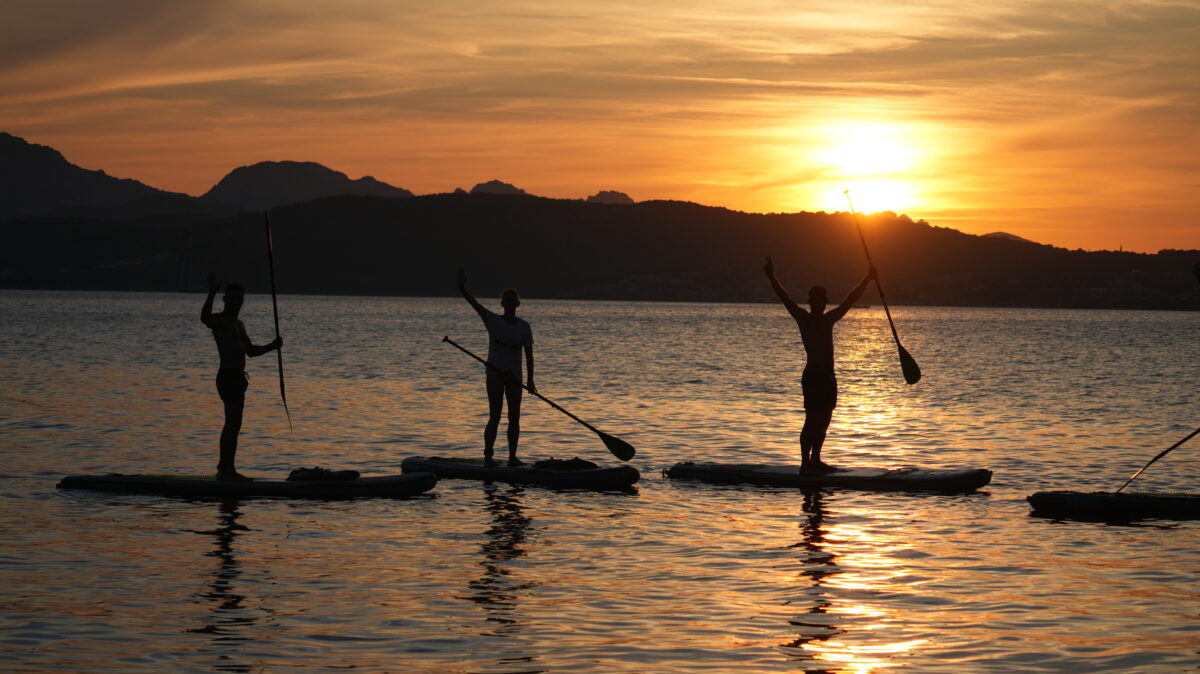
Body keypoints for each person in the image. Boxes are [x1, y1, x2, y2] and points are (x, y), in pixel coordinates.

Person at [763, 257, 876, 473]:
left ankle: (816, 460)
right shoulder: (803, 318)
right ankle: (805, 463)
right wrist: (771, 277)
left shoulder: (829, 319)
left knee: (824, 421)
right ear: (811, 303)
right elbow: (784, 297)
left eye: (822, 301)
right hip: (814, 376)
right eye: (815, 301)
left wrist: (868, 279)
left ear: (824, 303)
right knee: (811, 420)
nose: (819, 304)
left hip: (828, 378)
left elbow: (850, 300)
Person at [201, 272, 282, 481]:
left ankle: (226, 468)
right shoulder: (219, 320)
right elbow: (205, 319)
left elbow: (251, 351)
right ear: (225, 299)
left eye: (239, 298)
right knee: (232, 423)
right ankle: (225, 470)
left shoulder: (240, 324)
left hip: (239, 378)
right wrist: (211, 292)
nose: (235, 301)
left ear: (242, 301)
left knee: (235, 424)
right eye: (232, 297)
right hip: (227, 376)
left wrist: (272, 347)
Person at [457, 269, 535, 466]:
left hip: (515, 377)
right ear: (502, 304)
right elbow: (474, 304)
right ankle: (488, 457)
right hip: (495, 374)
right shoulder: (493, 320)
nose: (509, 303)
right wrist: (462, 287)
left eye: (512, 300)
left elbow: (529, 355)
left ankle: (512, 458)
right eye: (506, 300)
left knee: (514, 418)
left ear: (517, 304)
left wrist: (531, 380)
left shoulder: (524, 327)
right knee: (495, 415)